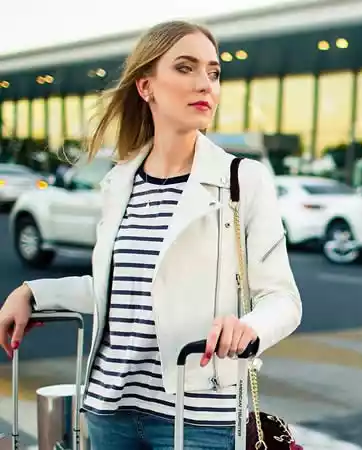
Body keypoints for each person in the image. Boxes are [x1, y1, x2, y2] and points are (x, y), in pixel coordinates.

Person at [0, 21, 303, 450]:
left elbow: (284, 300)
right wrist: (33, 292)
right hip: (109, 408)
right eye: (186, 68)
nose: (205, 84)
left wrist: (248, 327)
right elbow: (121, 289)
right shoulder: (120, 181)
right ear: (147, 87)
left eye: (213, 72)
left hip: (199, 417)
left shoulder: (241, 180)